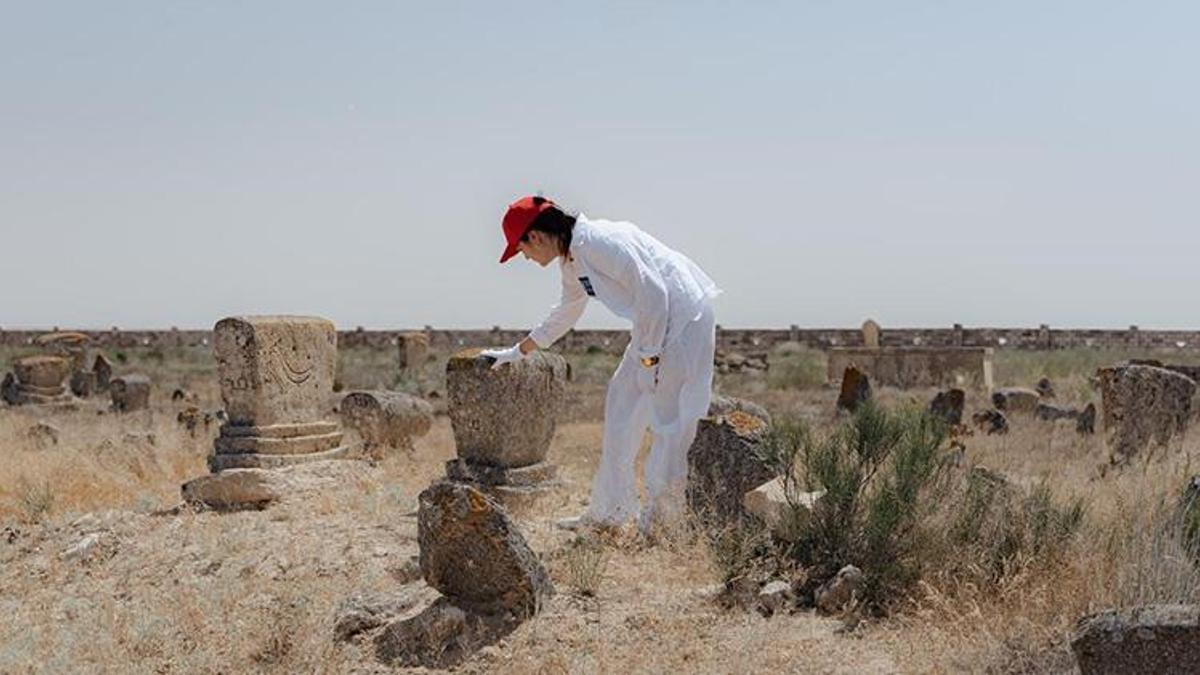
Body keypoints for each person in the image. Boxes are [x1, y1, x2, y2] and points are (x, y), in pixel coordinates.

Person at [482, 195, 720, 535]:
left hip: (682, 321)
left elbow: (655, 293)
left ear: (535, 237)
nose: (527, 258)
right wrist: (519, 351)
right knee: (621, 406)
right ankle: (610, 512)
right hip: (653, 325)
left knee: (669, 422)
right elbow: (567, 311)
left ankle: (662, 526)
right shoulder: (572, 259)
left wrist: (651, 358)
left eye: (522, 251)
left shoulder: (599, 242)